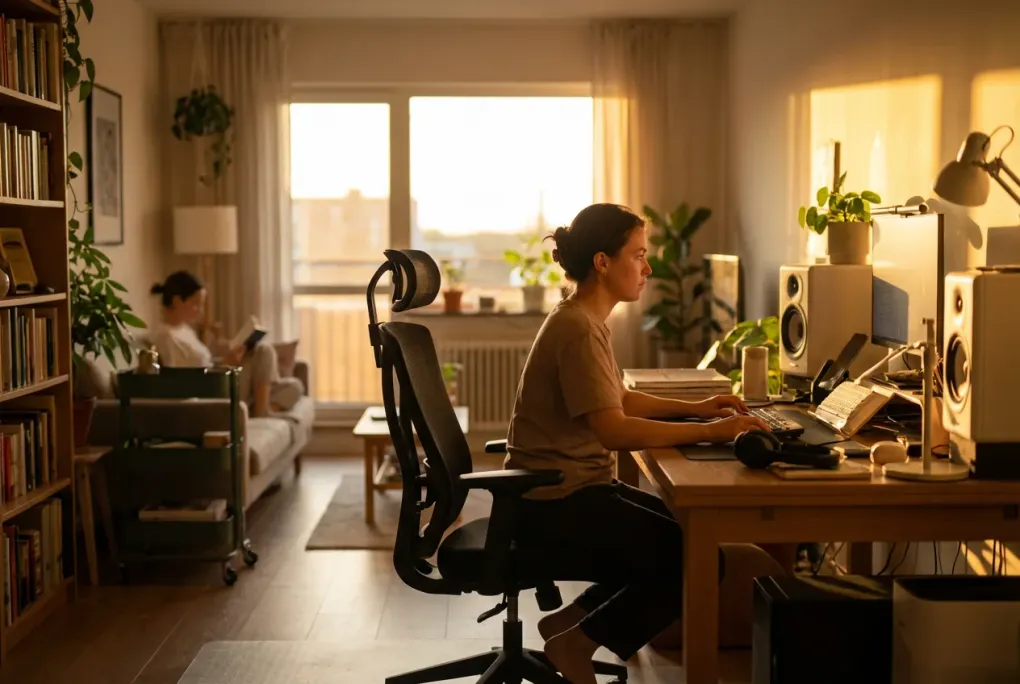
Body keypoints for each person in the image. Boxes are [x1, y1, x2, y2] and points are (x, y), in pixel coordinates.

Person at [503, 203, 770, 683]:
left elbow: (617, 398)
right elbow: (615, 430)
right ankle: (575, 644)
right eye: (639, 255)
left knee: (680, 534)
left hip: (561, 491)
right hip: (555, 503)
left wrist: (698, 407)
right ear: (603, 262)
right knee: (696, 559)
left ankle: (569, 624)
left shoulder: (582, 318)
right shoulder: (580, 329)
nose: (648, 268)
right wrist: (711, 432)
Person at [149, 271, 303, 417]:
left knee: (294, 386)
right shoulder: (166, 338)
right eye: (196, 304)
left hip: (220, 379)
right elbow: (182, 383)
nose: (200, 311)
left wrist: (228, 357)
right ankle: (261, 411)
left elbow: (204, 363)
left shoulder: (185, 330)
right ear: (177, 301)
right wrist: (223, 366)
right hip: (214, 391)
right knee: (264, 350)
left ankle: (254, 410)